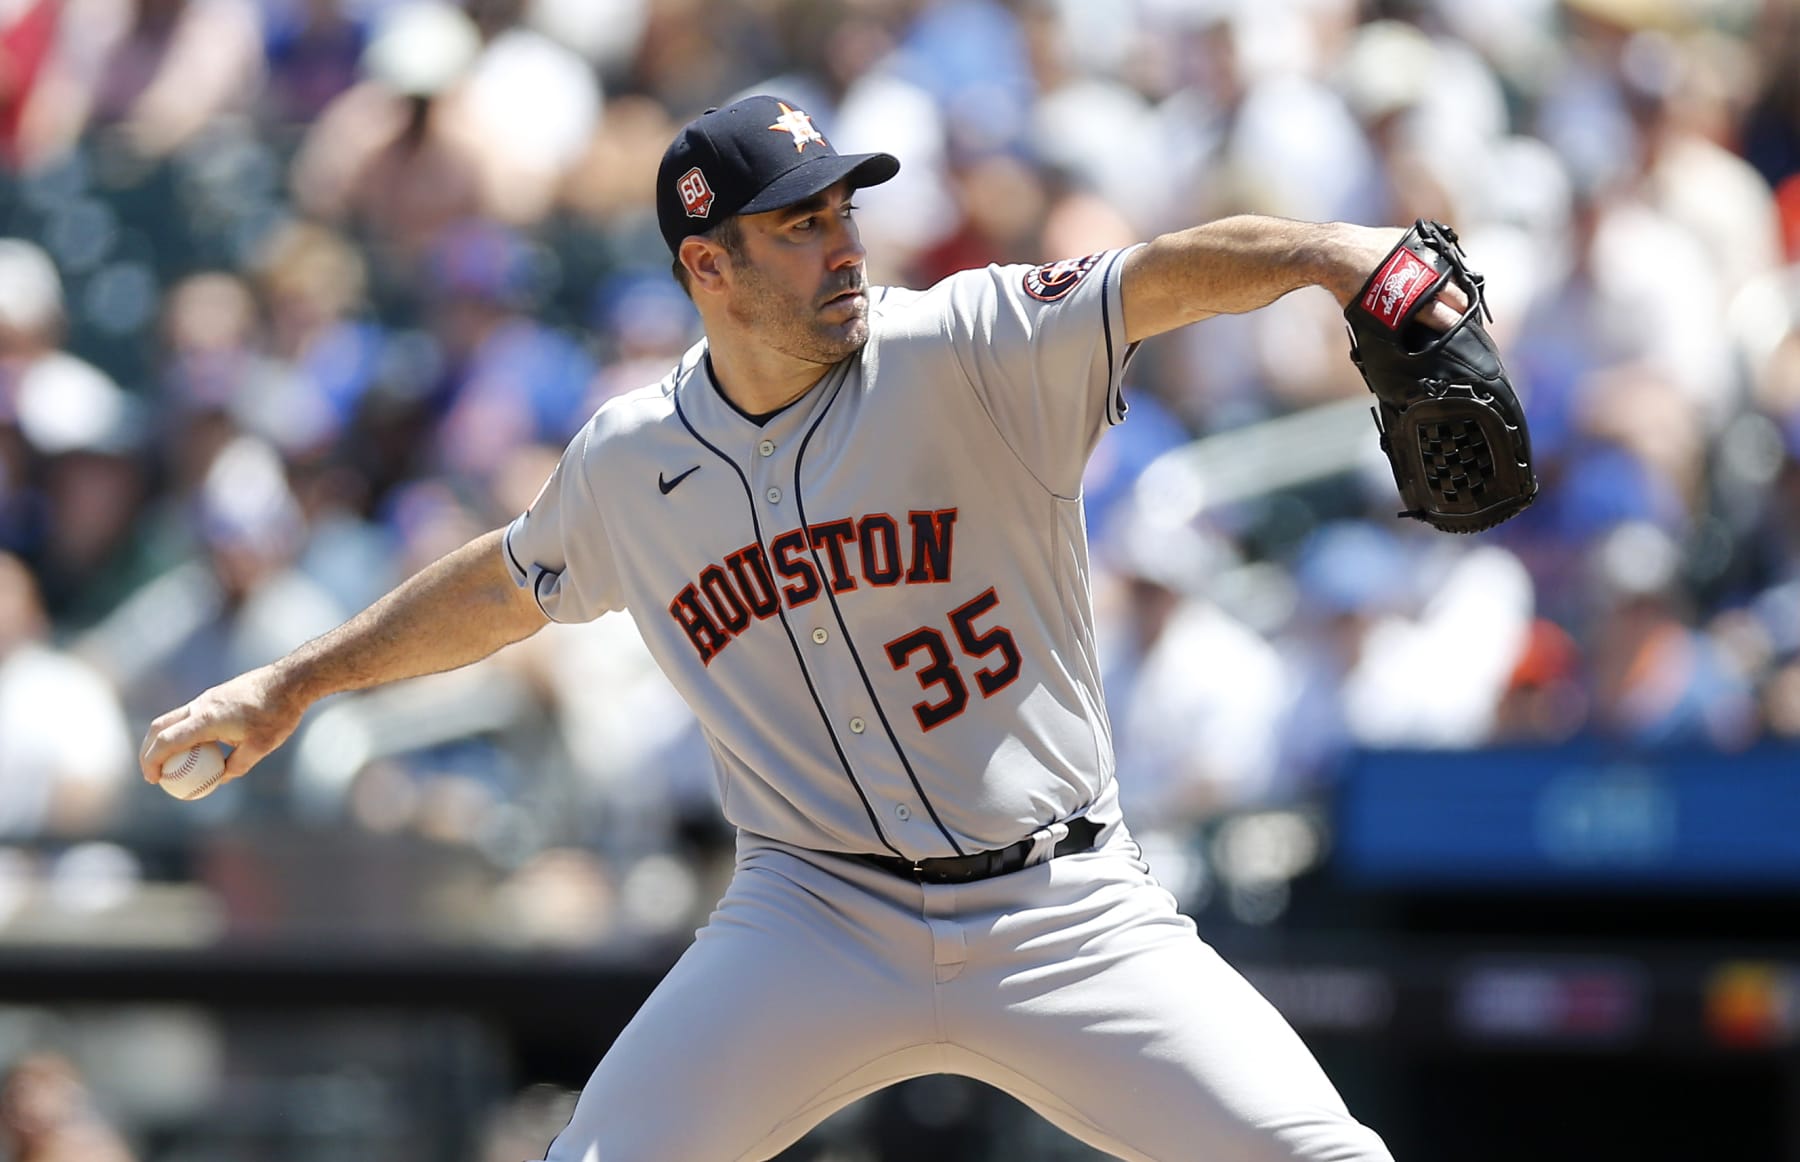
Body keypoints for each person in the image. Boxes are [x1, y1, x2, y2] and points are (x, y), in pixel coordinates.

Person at [141, 95, 1470, 1161]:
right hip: (813, 912)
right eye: (796, 224)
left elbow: (1153, 279)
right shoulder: (633, 460)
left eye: (843, 208)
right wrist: (300, 681)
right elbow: (505, 581)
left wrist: (1320, 253)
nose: (842, 242)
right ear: (706, 265)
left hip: (1061, 905)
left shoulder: (966, 345)